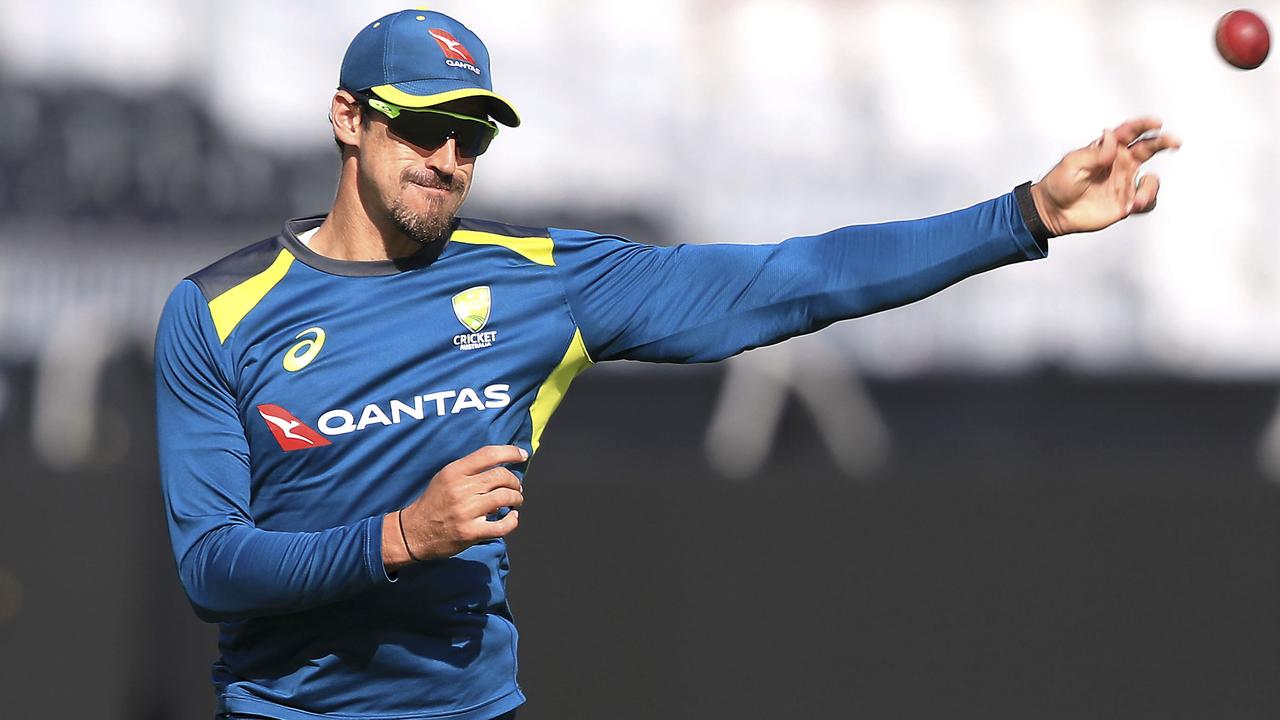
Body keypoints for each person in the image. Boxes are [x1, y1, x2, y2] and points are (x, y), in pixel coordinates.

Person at [154, 8, 1180, 720]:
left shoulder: (541, 280)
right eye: (422, 126)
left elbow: (789, 278)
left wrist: (1023, 216)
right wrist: (401, 536)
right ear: (348, 118)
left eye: (471, 136)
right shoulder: (217, 313)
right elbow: (212, 567)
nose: (449, 160)